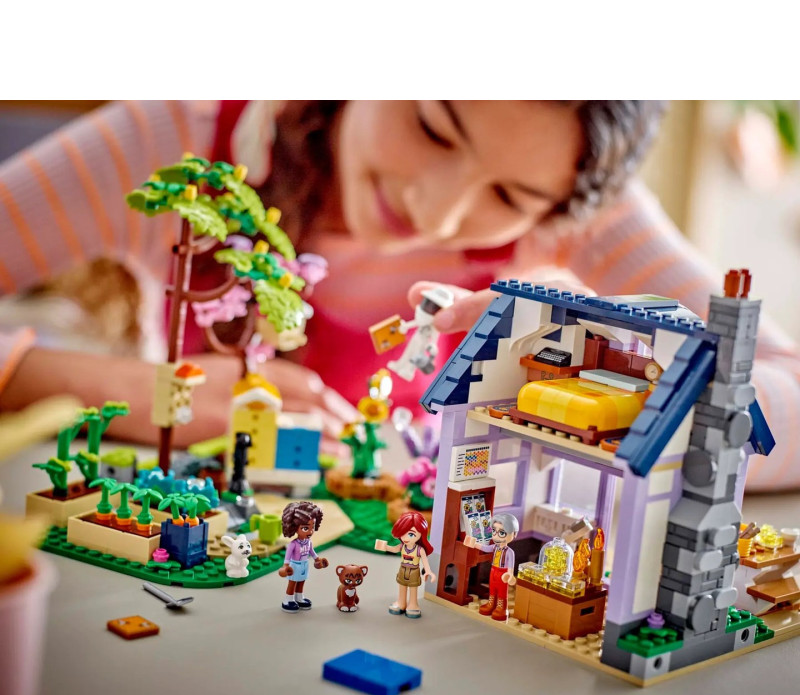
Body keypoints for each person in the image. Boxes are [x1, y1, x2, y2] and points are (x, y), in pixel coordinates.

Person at [1, 101, 798, 487]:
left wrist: (609, 383)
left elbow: (787, 387)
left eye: (510, 196)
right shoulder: (176, 142)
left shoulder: (582, 210)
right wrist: (133, 391)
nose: (434, 210)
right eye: (433, 126)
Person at [374, 510, 435, 618]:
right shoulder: (402, 546)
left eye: (411, 534)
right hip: (402, 569)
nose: (405, 538)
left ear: (421, 534)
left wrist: (428, 571)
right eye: (403, 533)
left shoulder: (419, 550)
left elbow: (425, 561)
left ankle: (413, 605)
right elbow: (393, 549)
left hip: (414, 571)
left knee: (413, 588)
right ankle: (401, 602)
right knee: (402, 587)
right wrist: (385, 547)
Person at [464, 512, 520, 622]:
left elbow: (510, 566)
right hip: (493, 571)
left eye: (502, 533)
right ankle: (491, 603)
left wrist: (509, 574)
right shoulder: (494, 547)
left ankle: (501, 607)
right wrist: (474, 544)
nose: (496, 535)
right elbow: (485, 548)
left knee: (502, 591)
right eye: (494, 531)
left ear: (514, 534)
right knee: (492, 588)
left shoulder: (510, 552)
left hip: (503, 573)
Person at [278, 500, 329, 613]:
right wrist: (285, 566)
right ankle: (288, 600)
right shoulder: (293, 544)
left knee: (301, 581)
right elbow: (287, 557)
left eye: (312, 527)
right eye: (305, 528)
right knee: (292, 583)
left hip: (304, 565)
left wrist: (318, 560)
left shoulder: (308, 542)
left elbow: (312, 552)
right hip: (294, 566)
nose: (310, 531)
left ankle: (299, 598)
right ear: (294, 527)